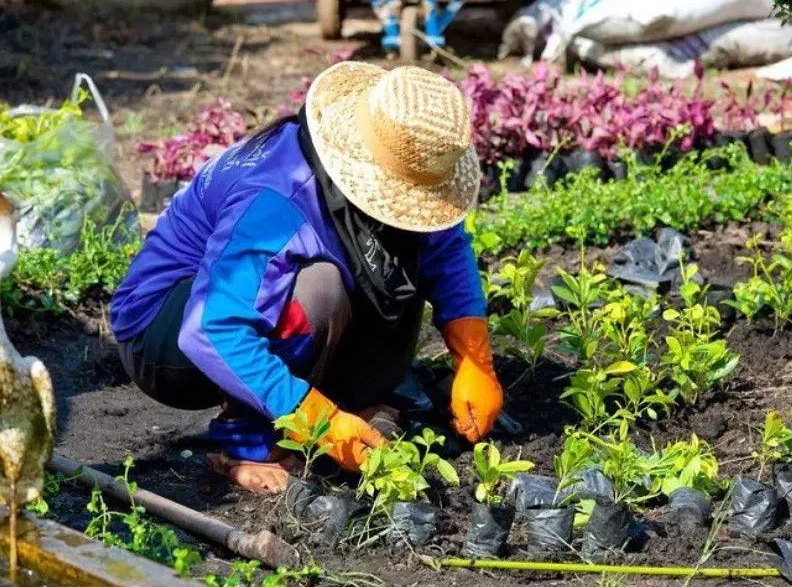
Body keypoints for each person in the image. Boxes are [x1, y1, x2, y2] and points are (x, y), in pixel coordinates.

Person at [110, 62, 503, 493]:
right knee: (319, 289)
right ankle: (245, 441)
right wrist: (320, 422)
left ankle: (336, 399)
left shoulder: (403, 157)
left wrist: (474, 359)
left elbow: (444, 246)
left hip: (225, 313)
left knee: (398, 259)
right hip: (166, 333)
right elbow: (211, 329)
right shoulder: (277, 196)